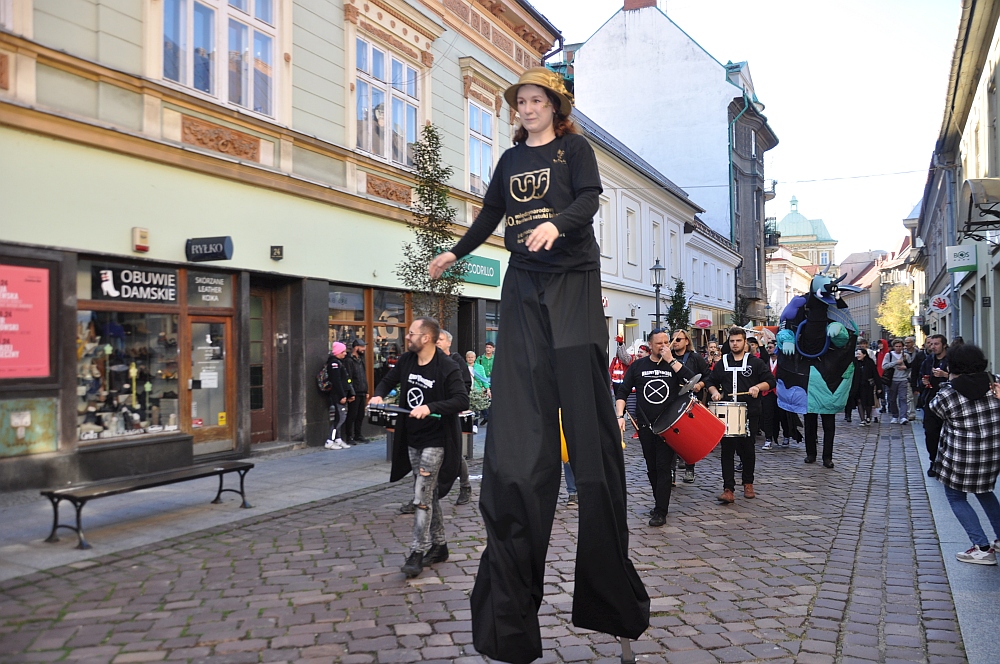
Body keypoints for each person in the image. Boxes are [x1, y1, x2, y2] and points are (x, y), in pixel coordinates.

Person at [427, 67, 648, 662]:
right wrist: (454, 249)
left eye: (535, 100)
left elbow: (588, 201)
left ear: (554, 105)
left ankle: (611, 601)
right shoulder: (508, 161)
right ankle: (509, 626)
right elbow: (489, 216)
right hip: (523, 285)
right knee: (518, 454)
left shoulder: (574, 150)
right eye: (520, 101)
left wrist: (556, 223)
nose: (526, 108)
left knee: (589, 436)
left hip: (574, 282)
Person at [369, 318, 469, 578]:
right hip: (412, 438)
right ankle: (440, 545)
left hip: (437, 440)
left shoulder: (446, 366)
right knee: (429, 492)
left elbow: (461, 399)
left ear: (426, 338)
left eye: (411, 333)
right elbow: (388, 380)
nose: (407, 336)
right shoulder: (407, 361)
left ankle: (416, 551)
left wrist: (430, 408)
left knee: (421, 494)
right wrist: (379, 394)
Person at [928, 343, 1000, 565]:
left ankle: (982, 546)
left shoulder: (949, 392)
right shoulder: (994, 382)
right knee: (985, 491)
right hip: (992, 451)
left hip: (962, 455)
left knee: (956, 496)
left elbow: (934, 409)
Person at [615, 328, 695, 526]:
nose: (664, 346)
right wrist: (619, 416)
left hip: (668, 425)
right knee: (652, 467)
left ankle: (661, 510)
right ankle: (659, 501)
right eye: (659, 343)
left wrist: (672, 361)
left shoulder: (673, 364)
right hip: (645, 425)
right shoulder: (638, 366)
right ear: (649, 345)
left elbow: (692, 380)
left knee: (663, 467)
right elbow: (623, 392)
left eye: (666, 342)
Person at [706, 327, 775, 503]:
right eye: (732, 341)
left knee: (747, 449)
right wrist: (714, 392)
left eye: (738, 341)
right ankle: (728, 488)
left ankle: (748, 482)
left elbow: (770, 381)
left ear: (745, 343)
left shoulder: (755, 363)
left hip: (749, 412)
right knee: (727, 451)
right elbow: (711, 382)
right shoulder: (722, 363)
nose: (735, 344)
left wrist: (757, 387)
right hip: (728, 413)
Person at [437, 330, 474, 506]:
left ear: (448, 343)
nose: (437, 342)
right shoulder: (429, 359)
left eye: (441, 339)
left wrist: (456, 404)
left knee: (453, 451)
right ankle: (421, 495)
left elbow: (466, 384)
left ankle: (465, 486)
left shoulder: (456, 360)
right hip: (431, 412)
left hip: (449, 413)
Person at [670, 329, 707, 483]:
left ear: (686, 341)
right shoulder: (667, 357)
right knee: (671, 437)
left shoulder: (695, 358)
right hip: (672, 399)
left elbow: (708, 375)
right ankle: (671, 472)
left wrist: (700, 384)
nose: (675, 342)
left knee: (688, 437)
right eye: (673, 339)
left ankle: (690, 468)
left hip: (689, 399)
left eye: (679, 339)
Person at [920, 334, 949, 472]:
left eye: (936, 344)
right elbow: (920, 378)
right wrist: (923, 382)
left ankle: (946, 462)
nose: (933, 347)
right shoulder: (928, 361)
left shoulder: (952, 360)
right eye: (931, 344)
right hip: (931, 401)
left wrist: (945, 375)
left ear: (944, 345)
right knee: (930, 433)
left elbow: (960, 379)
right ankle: (934, 461)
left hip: (948, 403)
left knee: (947, 435)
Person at [324, 342, 354, 450]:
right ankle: (330, 440)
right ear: (337, 352)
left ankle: (338, 439)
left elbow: (345, 380)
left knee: (339, 417)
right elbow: (337, 381)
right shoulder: (334, 364)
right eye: (343, 352)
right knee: (340, 418)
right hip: (337, 395)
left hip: (341, 394)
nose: (345, 354)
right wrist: (342, 395)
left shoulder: (338, 363)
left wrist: (349, 393)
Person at [343, 339, 369, 444]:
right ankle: (349, 436)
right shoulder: (349, 360)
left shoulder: (361, 359)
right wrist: (351, 392)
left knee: (360, 415)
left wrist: (366, 390)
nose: (364, 349)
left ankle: (358, 434)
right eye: (362, 347)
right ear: (356, 347)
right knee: (352, 414)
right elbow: (348, 378)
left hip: (362, 390)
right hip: (355, 391)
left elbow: (363, 375)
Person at [882, 338, 914, 424]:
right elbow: (884, 366)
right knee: (892, 399)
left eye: (900, 346)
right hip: (892, 380)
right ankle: (895, 415)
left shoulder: (906, 356)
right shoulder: (889, 355)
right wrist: (895, 362)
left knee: (903, 398)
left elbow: (910, 367)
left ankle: (903, 417)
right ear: (893, 347)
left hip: (903, 379)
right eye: (896, 346)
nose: (898, 348)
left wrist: (905, 367)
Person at [850, 345, 879, 425]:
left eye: (859, 354)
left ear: (864, 354)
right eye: (857, 354)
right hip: (858, 385)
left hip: (867, 386)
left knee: (868, 403)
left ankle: (868, 417)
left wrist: (878, 386)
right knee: (859, 401)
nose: (857, 355)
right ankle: (862, 419)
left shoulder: (870, 363)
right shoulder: (855, 363)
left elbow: (875, 374)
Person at [761, 339, 781, 449]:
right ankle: (768, 438)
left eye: (770, 347)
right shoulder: (765, 361)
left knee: (778, 416)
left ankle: (779, 435)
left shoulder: (782, 361)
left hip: (779, 393)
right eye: (767, 347)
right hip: (767, 392)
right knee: (767, 415)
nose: (768, 349)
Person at [475, 341, 495, 424]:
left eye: (490, 347)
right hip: (482, 380)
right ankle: (486, 416)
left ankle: (491, 417)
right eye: (487, 347)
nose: (488, 349)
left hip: (493, 381)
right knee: (482, 399)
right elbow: (475, 368)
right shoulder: (480, 358)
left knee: (492, 400)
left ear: (493, 349)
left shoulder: (496, 358)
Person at [904, 336, 919, 419]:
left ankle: (914, 409)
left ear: (913, 343)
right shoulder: (903, 353)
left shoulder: (918, 352)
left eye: (909, 342)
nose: (907, 344)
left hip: (916, 376)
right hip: (907, 376)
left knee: (915, 395)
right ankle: (911, 413)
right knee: (909, 396)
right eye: (906, 342)